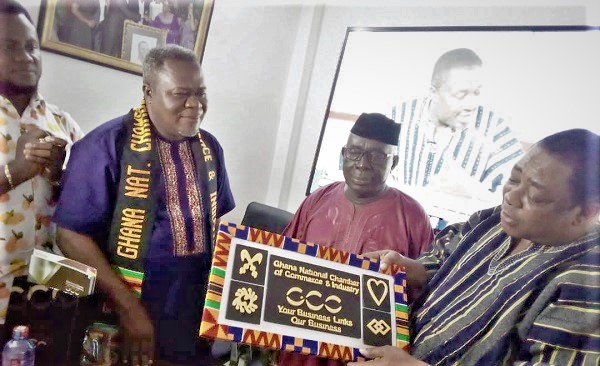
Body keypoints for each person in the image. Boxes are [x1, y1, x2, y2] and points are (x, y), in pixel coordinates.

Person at [348, 128, 599, 366]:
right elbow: (442, 256)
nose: (510, 197)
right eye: (513, 179)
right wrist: (414, 269)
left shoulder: (585, 289)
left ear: (585, 212)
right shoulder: (493, 221)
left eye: (535, 196)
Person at [54, 45, 235, 365]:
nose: (195, 104)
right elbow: (70, 235)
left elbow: (216, 227)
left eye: (201, 93)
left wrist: (225, 302)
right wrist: (129, 308)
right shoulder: (105, 146)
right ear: (148, 91)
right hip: (126, 312)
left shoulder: (210, 148)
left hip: (192, 317)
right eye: (180, 94)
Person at [278, 113, 434, 366]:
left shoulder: (413, 216)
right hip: (301, 350)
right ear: (343, 153)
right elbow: (280, 263)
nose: (363, 163)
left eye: (377, 155)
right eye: (354, 152)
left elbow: (426, 287)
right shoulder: (317, 200)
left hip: (364, 356)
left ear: (394, 162)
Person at [0, 0, 83, 332]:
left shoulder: (62, 122)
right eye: (9, 46)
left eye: (32, 46)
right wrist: (16, 171)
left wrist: (59, 175)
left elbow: (91, 205)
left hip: (47, 291)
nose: (26, 56)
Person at [391, 48, 524, 202]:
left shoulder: (496, 131)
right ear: (433, 93)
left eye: (477, 93)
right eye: (461, 95)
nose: (471, 104)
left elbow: (518, 199)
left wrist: (471, 190)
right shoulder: (399, 116)